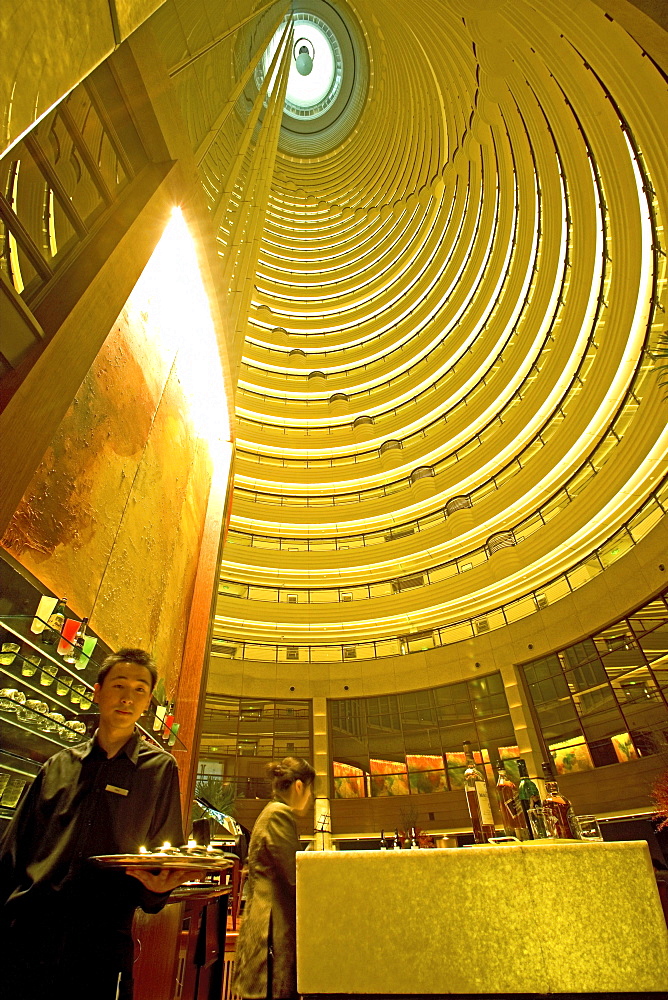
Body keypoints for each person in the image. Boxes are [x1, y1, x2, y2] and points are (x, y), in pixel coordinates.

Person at [0, 647, 196, 1000]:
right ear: (98, 690)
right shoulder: (58, 765)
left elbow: (160, 859)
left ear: (149, 701)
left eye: (140, 689)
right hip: (28, 932)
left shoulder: (159, 770)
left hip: (100, 941)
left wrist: (157, 889)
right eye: (119, 685)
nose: (128, 697)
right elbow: (14, 850)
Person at [234, 756, 315, 1000]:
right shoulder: (280, 814)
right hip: (271, 930)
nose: (309, 798)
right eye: (310, 790)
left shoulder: (270, 812)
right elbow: (293, 877)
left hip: (263, 925)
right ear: (299, 786)